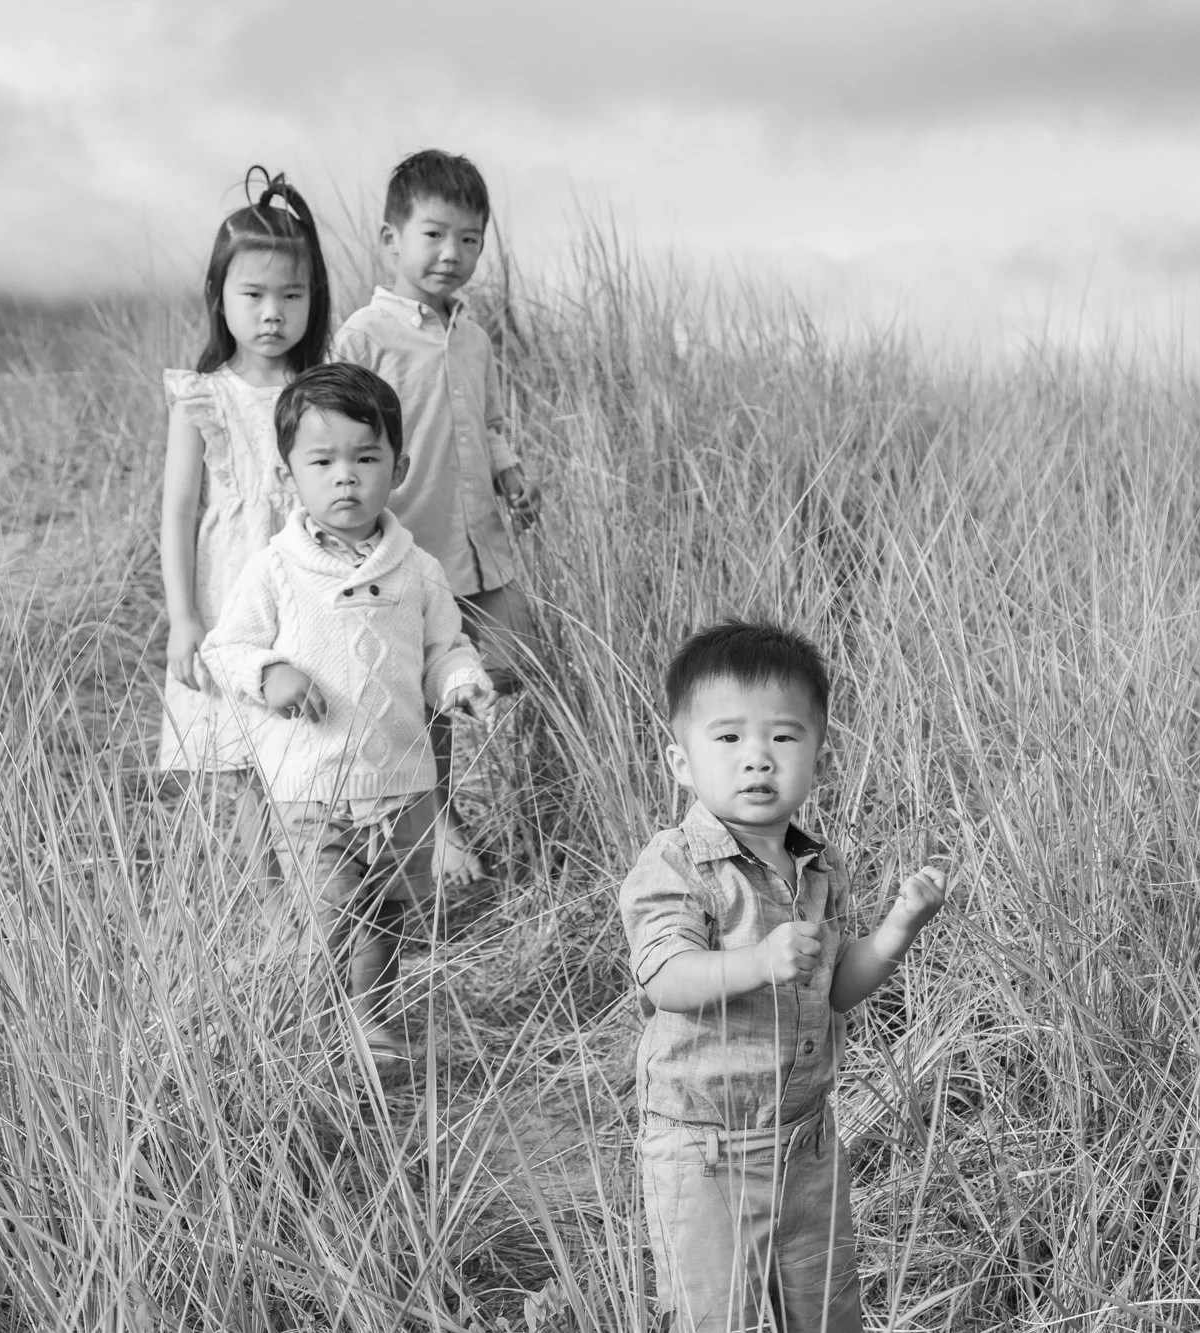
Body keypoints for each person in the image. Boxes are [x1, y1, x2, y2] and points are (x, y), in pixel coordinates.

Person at [618, 621, 951, 1332]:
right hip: (706, 1149)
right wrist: (757, 961)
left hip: (807, 1145)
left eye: (784, 737)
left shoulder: (817, 868)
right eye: (730, 738)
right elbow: (665, 976)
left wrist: (899, 925)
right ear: (681, 761)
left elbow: (834, 988)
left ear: (818, 761)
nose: (758, 759)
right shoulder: (676, 863)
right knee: (717, 1318)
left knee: (828, 1311)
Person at [202, 363, 495, 1065]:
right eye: (323, 460)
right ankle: (322, 1033)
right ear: (287, 475)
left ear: (398, 466)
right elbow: (226, 646)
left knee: (388, 915)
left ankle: (375, 1021)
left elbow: (442, 647)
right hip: (311, 784)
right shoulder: (277, 567)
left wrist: (462, 680)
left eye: (366, 458)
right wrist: (270, 672)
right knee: (333, 914)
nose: (346, 477)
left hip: (400, 779)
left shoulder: (416, 568)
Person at [331, 149, 543, 889]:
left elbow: (486, 421)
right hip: (409, 553)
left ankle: (469, 797)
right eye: (434, 235)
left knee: (517, 664)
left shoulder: (475, 337)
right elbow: (339, 441)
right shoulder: (366, 336)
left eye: (470, 240)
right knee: (426, 692)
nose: (452, 254)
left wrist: (510, 469)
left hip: (480, 546)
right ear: (391, 241)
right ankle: (435, 821)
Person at [158, 167, 331, 797]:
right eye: (253, 294)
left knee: (314, 748)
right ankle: (259, 897)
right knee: (242, 766)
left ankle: (330, 884)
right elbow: (178, 513)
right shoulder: (202, 397)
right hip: (229, 592)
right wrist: (183, 617)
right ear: (219, 294)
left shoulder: (322, 392)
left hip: (307, 589)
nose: (272, 313)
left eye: (292, 295)